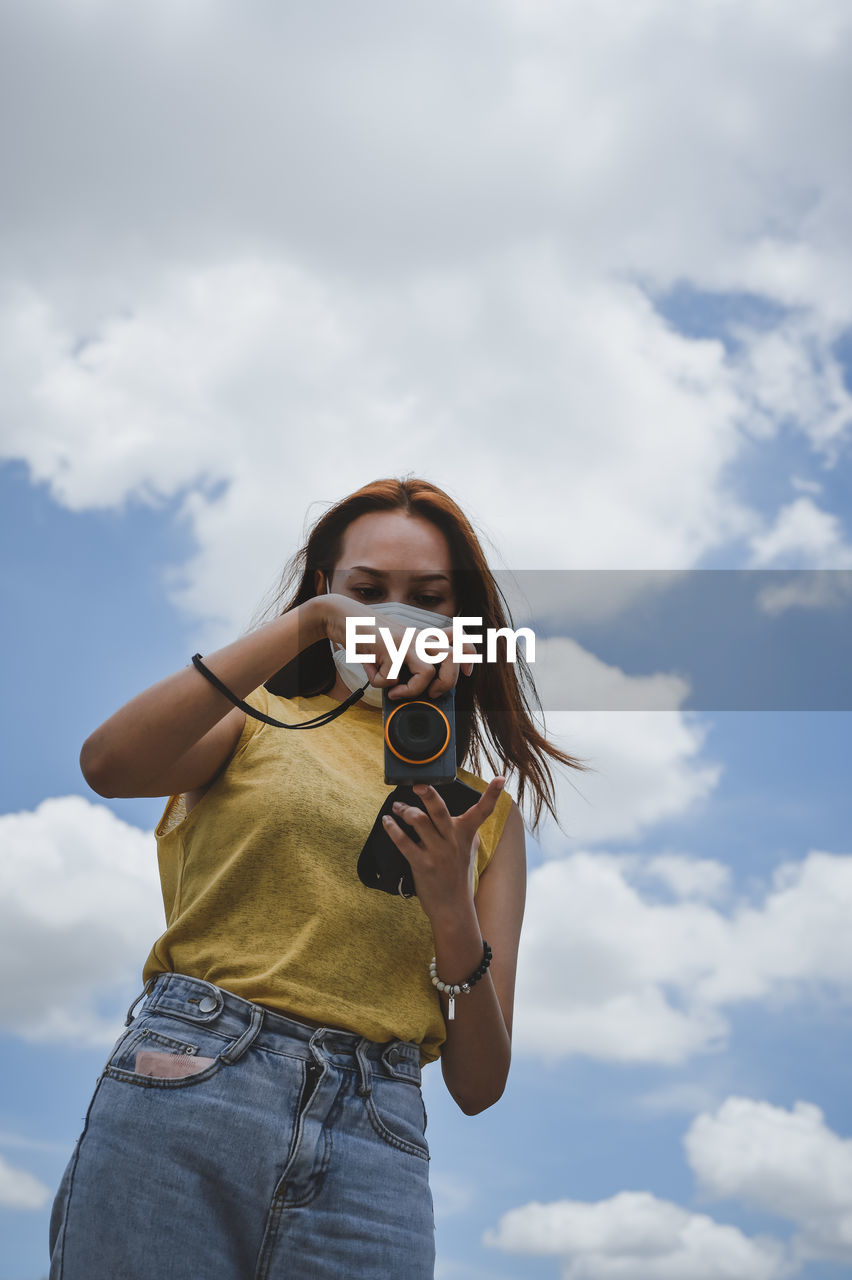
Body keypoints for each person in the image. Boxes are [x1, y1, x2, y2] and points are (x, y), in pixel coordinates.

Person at [48, 476, 586, 1280]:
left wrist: (450, 910)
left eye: (426, 596)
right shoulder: (254, 716)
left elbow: (479, 1084)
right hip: (193, 1081)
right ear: (326, 593)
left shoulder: (485, 817)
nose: (390, 616)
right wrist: (309, 624)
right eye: (365, 591)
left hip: (377, 1134)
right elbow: (108, 763)